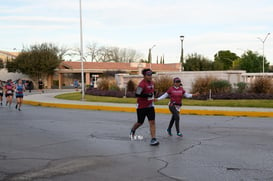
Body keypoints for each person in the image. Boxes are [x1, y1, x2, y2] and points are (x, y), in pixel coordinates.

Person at [129, 68, 159, 146]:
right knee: (140, 122)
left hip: (150, 105)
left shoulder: (152, 83)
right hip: (141, 106)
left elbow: (152, 91)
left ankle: (153, 139)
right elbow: (137, 94)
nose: (150, 76)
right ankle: (133, 129)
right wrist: (147, 95)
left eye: (151, 75)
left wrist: (154, 95)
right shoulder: (142, 84)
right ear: (144, 76)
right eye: (148, 75)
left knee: (152, 122)